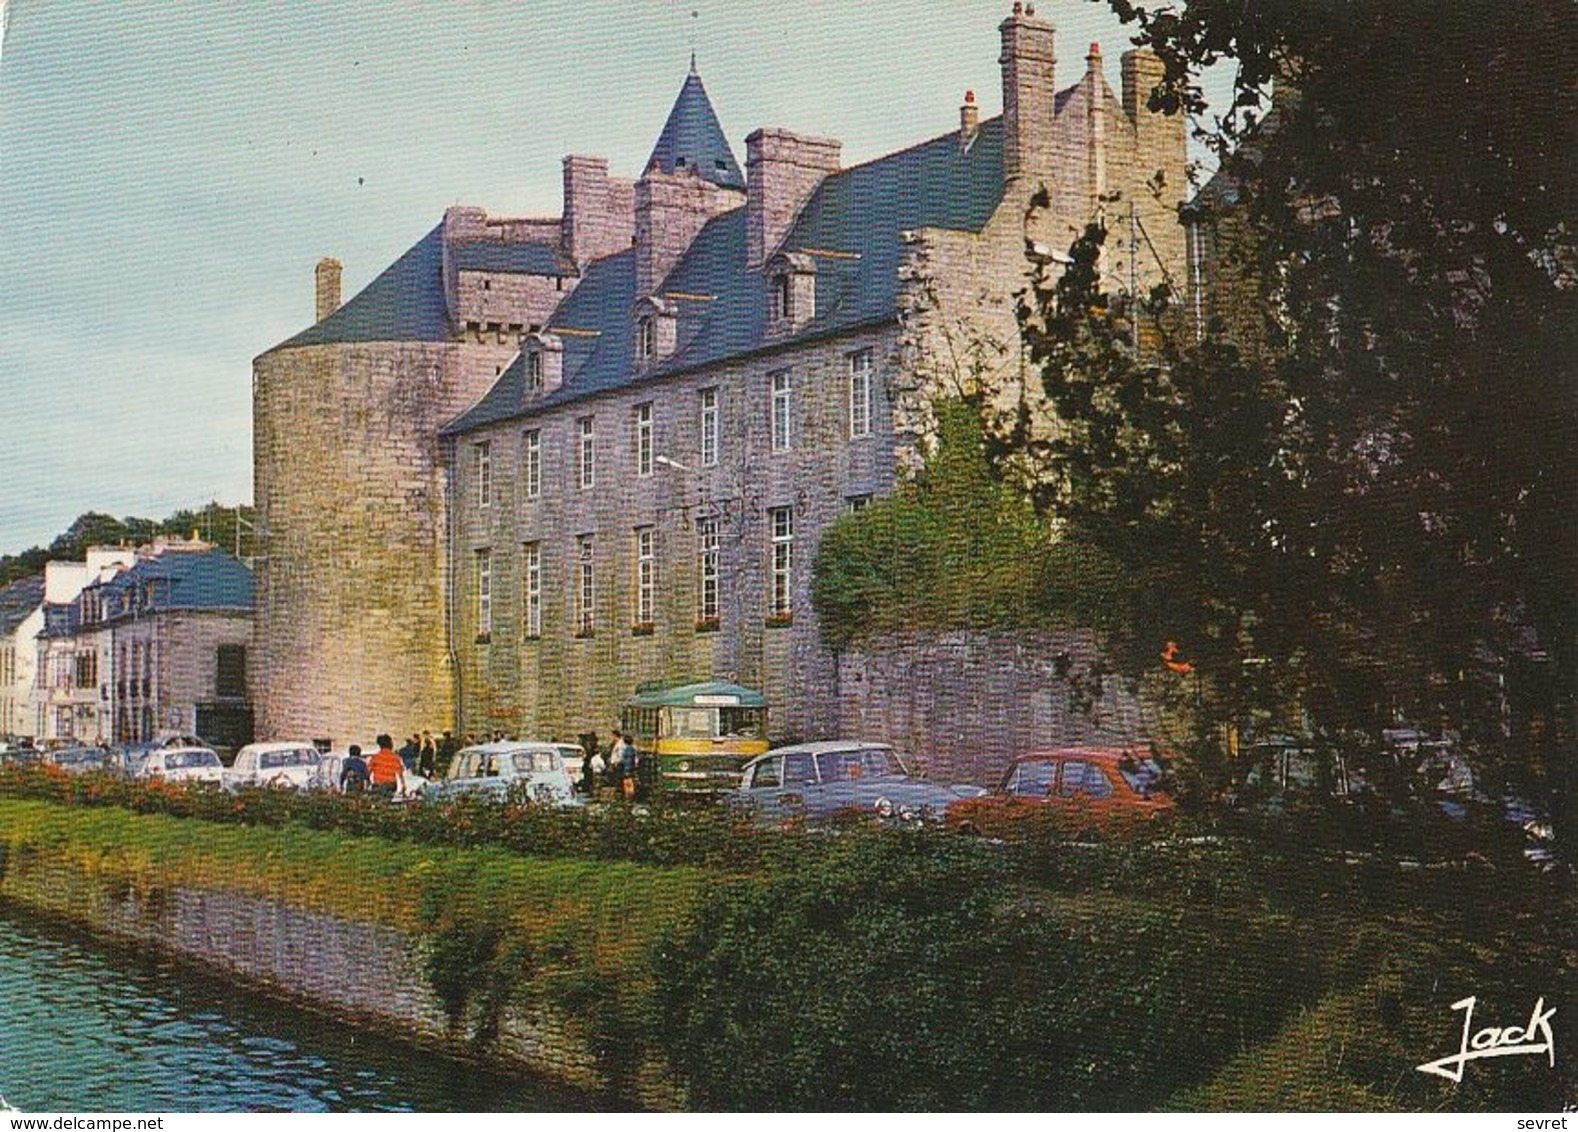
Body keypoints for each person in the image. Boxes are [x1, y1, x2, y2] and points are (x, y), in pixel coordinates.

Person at [368, 733, 406, 799]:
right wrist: (403, 785)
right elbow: (400, 773)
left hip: (378, 785)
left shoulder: (375, 757)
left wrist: (367, 783)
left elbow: (368, 772)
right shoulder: (395, 757)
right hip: (390, 786)